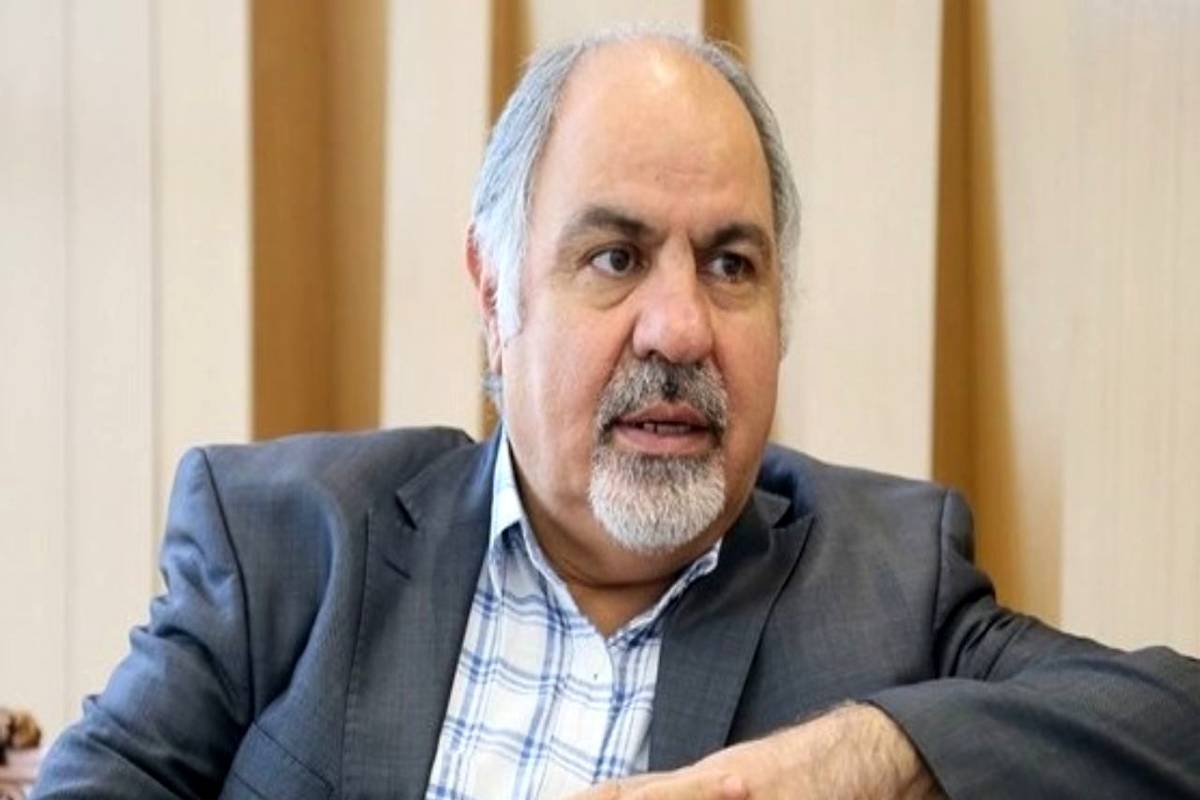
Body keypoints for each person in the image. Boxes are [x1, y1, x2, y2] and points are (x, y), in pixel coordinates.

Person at [35, 28, 1200, 800]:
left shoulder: (888, 581)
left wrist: (865, 751)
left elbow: (1178, 724)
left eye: (731, 264)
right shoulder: (287, 540)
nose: (680, 328)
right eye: (616, 256)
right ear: (496, 295)